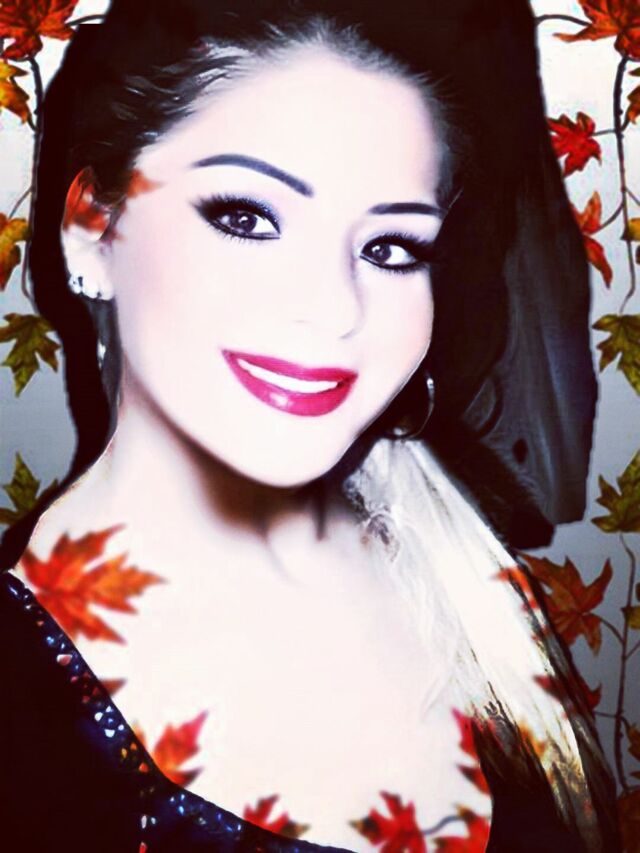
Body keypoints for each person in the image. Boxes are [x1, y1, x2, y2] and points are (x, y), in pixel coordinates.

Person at [0, 0, 621, 850]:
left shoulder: (466, 582)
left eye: (391, 247)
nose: (334, 310)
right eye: (246, 217)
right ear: (93, 228)